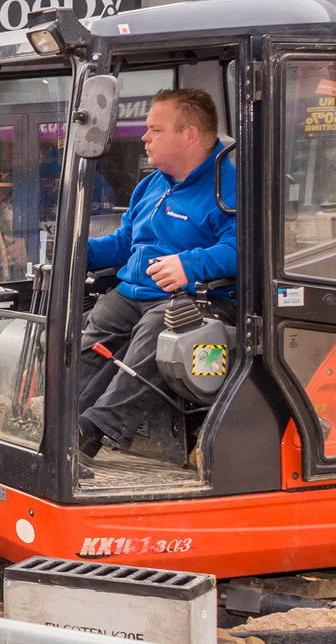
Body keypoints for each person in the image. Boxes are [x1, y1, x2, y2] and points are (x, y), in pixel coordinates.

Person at [76, 88, 237, 467]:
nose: (144, 137)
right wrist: (79, 252)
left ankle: (94, 431)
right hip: (134, 291)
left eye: (154, 129)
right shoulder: (152, 185)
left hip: (194, 299)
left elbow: (244, 248)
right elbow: (126, 242)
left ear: (190, 135)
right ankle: (62, 419)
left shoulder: (228, 187)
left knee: (159, 330)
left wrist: (189, 264)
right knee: (95, 327)